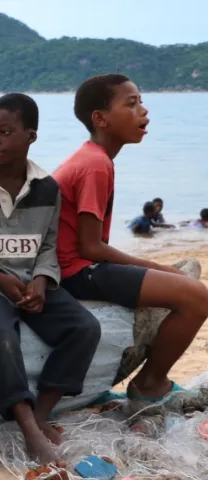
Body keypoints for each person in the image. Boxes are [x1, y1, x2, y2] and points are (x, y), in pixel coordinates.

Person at [0, 93, 101, 464]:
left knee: (85, 328)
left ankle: (42, 413)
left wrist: (43, 280)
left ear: (31, 136)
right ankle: (28, 428)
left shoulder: (47, 187)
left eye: (5, 131)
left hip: (32, 283)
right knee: (1, 332)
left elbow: (48, 243)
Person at [54, 73, 208, 404]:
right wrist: (157, 267)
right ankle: (149, 385)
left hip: (72, 267)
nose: (144, 111)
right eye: (132, 103)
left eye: (141, 101)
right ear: (101, 119)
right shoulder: (95, 165)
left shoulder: (91, 158)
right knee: (196, 297)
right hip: (75, 272)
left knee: (179, 285)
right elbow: (90, 248)